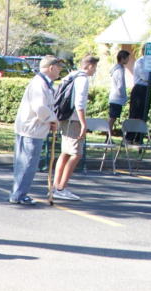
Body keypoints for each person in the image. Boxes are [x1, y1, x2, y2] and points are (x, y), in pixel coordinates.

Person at [9, 55, 63, 206]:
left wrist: (50, 119)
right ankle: (19, 194)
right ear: (51, 68)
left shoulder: (43, 83)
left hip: (30, 127)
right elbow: (40, 108)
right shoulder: (40, 84)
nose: (60, 71)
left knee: (23, 163)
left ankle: (17, 193)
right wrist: (52, 119)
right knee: (27, 163)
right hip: (32, 129)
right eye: (58, 68)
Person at [52, 55, 98, 202]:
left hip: (64, 118)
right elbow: (79, 103)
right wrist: (83, 123)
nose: (95, 70)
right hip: (73, 120)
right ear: (90, 66)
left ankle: (56, 185)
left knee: (65, 152)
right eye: (95, 67)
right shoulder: (83, 79)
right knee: (76, 153)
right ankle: (61, 188)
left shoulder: (70, 76)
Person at [108, 50, 132, 132]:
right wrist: (123, 96)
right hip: (116, 98)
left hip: (115, 97)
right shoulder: (119, 70)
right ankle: (108, 136)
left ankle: (109, 135)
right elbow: (120, 85)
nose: (128, 60)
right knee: (112, 118)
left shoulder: (119, 68)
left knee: (113, 118)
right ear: (122, 58)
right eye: (127, 58)